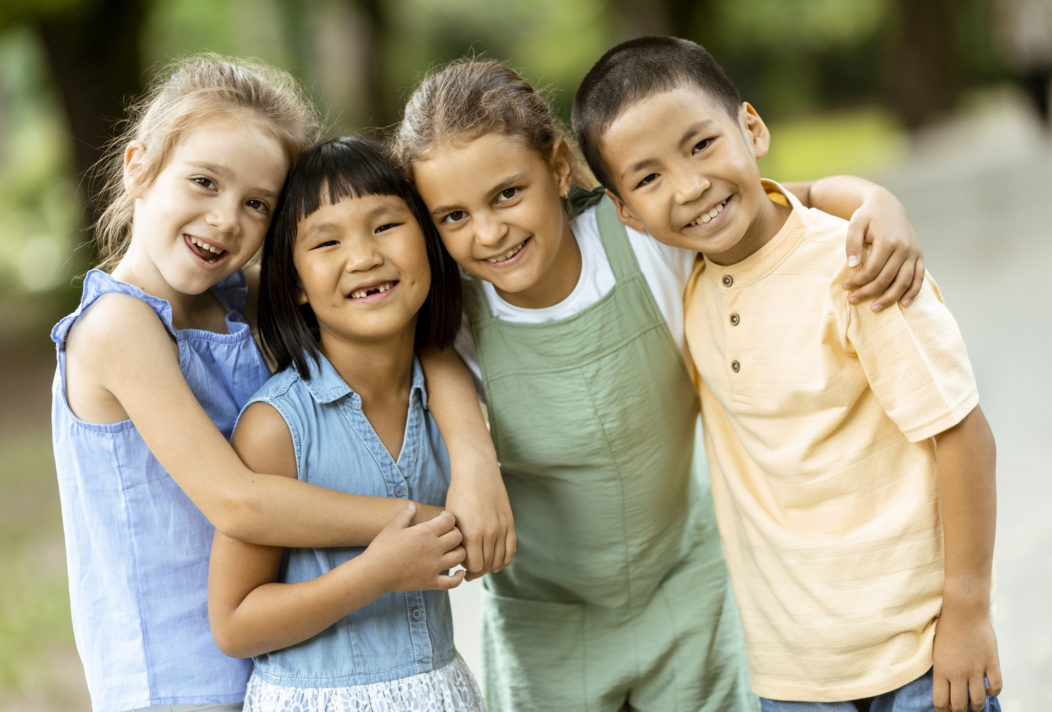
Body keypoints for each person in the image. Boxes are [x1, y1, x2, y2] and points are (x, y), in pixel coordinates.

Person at [392, 58, 927, 711]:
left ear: (559, 168)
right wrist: (472, 459)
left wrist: (875, 201)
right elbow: (423, 353)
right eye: (452, 216)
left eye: (507, 193)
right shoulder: (455, 310)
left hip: (687, 592)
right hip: (546, 622)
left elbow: (787, 201)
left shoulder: (642, 234)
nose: (489, 231)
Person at [50, 55, 509, 712]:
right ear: (139, 168)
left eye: (256, 203)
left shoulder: (238, 300)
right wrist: (421, 526)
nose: (224, 218)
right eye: (204, 182)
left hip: (283, 654)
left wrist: (473, 460)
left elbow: (402, 335)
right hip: (170, 677)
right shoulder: (117, 326)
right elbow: (238, 502)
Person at [571, 35, 1002, 712]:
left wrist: (968, 612)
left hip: (920, 654)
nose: (689, 186)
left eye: (702, 144)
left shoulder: (858, 266)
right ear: (626, 212)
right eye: (648, 178)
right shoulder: (685, 280)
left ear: (752, 128)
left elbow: (963, 435)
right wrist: (866, 192)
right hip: (790, 676)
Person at [207, 135, 486, 711]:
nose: (363, 257)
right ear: (296, 285)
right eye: (327, 241)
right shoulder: (277, 428)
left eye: (385, 226)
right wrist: (373, 575)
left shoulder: (446, 396)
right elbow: (234, 624)